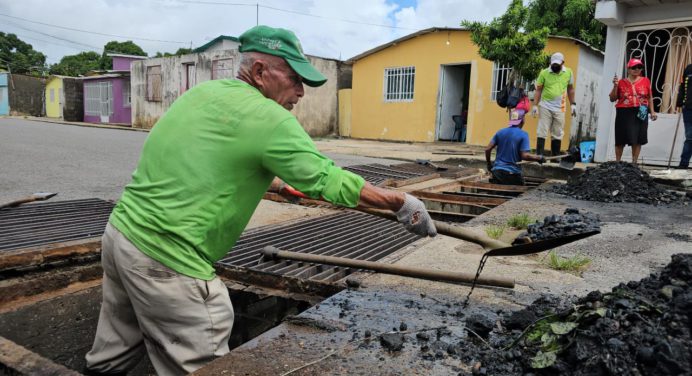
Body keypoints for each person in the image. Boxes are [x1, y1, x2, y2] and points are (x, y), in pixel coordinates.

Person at [84, 25, 436, 376]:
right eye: (295, 78)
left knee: (111, 355)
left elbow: (208, 156)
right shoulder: (270, 117)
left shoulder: (202, 93)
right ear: (259, 72)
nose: (300, 92)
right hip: (168, 259)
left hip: (120, 238)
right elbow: (325, 178)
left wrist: (276, 183)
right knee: (202, 361)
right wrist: (399, 202)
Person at [609, 58, 657, 164]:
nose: (637, 69)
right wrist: (615, 86)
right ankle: (618, 162)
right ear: (629, 69)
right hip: (624, 111)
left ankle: (634, 162)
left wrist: (652, 111)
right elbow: (612, 98)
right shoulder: (621, 82)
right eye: (634, 67)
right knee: (620, 137)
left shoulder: (646, 81)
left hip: (642, 109)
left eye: (639, 67)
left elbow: (649, 97)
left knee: (638, 138)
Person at [531, 52, 577, 157]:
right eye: (553, 64)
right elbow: (538, 90)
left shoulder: (568, 72)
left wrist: (573, 104)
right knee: (542, 130)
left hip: (560, 107)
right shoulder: (544, 73)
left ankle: (555, 156)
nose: (555, 66)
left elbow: (570, 89)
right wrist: (535, 105)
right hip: (545, 106)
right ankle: (539, 155)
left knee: (557, 132)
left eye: (557, 65)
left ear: (563, 63)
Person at [486, 108, 546, 185]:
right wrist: (539, 158)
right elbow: (525, 156)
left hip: (497, 173)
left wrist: (488, 164)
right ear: (522, 120)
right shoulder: (523, 135)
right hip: (512, 174)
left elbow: (487, 149)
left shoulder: (500, 132)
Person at [676, 63, 692, 169]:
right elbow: (682, 86)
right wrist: (680, 101)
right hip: (689, 109)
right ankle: (683, 164)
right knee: (690, 138)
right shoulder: (689, 68)